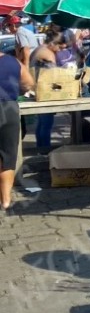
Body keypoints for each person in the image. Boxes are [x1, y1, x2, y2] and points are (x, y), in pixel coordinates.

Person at [0, 50, 35, 210]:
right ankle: (5, 201)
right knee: (8, 155)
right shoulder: (13, 62)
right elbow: (28, 83)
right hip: (8, 108)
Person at [29, 31, 69, 154]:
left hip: (37, 89)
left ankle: (39, 149)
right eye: (59, 48)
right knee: (46, 123)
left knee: (41, 123)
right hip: (45, 91)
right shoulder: (48, 53)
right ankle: (45, 152)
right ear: (53, 43)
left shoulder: (38, 49)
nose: (58, 51)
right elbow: (53, 75)